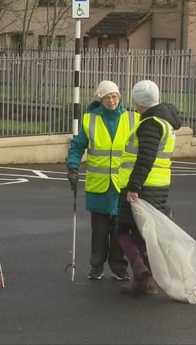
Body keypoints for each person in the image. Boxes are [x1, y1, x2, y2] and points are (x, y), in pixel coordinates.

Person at [66, 80, 138, 281]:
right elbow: (77, 146)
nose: (112, 101)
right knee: (99, 230)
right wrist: (72, 166)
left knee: (120, 230)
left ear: (120, 97)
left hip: (122, 185)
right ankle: (96, 266)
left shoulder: (133, 119)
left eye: (114, 96)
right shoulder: (91, 120)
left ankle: (118, 266)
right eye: (107, 97)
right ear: (100, 99)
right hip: (99, 186)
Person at [116, 80, 182, 295]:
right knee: (142, 233)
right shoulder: (166, 122)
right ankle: (146, 280)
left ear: (138, 101)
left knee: (124, 230)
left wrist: (134, 187)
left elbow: (145, 157)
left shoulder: (151, 123)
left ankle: (142, 272)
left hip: (143, 186)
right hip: (159, 185)